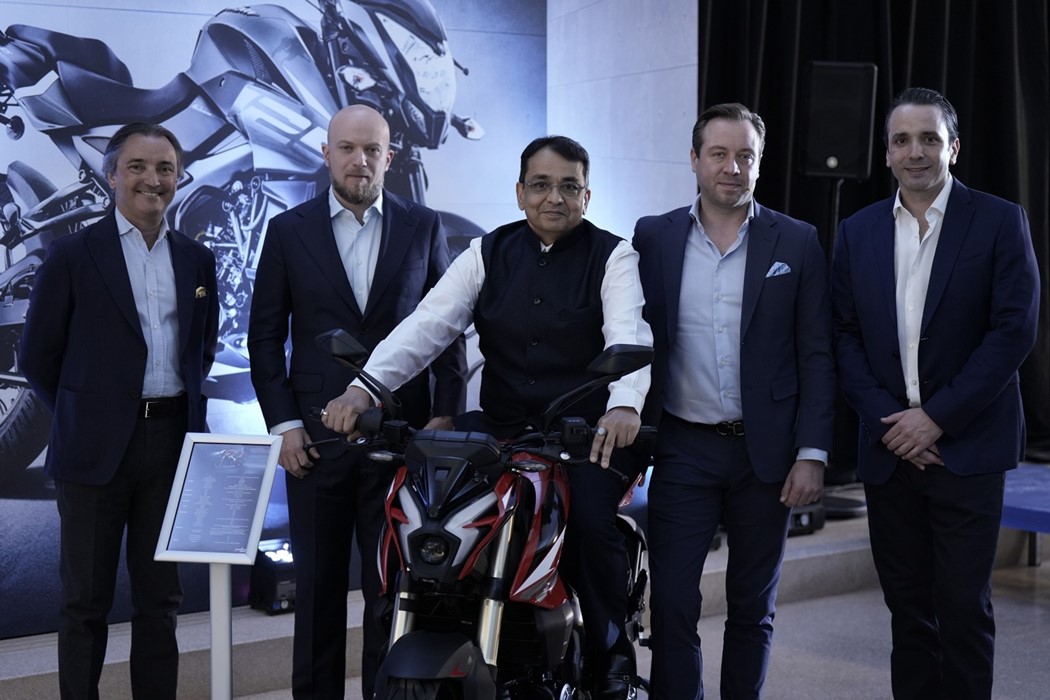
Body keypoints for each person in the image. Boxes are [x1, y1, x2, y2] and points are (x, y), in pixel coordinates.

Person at [322, 135, 653, 699]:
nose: (554, 198)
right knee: (423, 494)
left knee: (589, 522)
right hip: (501, 425)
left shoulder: (613, 256)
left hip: (585, 434)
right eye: (541, 185)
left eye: (569, 186)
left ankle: (609, 654)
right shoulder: (486, 252)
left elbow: (628, 333)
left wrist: (623, 404)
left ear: (587, 195)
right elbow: (428, 325)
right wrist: (363, 390)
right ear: (520, 192)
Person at [247, 104, 466, 699]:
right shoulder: (288, 231)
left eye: (372, 150)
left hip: (402, 440)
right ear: (326, 154)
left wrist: (445, 412)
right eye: (347, 148)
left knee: (391, 594)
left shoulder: (423, 225)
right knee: (316, 592)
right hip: (314, 443)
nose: (359, 160)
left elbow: (446, 326)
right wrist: (283, 426)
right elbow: (264, 338)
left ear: (389, 158)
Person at [831, 87, 1040, 700]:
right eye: (901, 140)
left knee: (963, 609)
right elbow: (843, 335)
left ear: (953, 147)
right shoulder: (857, 231)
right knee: (907, 610)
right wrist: (894, 424)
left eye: (929, 138)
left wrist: (936, 419)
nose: (915, 151)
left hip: (967, 449)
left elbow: (1013, 331)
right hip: (890, 453)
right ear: (887, 153)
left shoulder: (999, 220)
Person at [632, 102, 836, 699]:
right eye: (718, 154)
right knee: (672, 605)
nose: (732, 167)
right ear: (694, 159)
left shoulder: (797, 241)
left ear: (759, 162)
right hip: (683, 449)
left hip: (766, 455)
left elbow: (816, 354)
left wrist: (812, 453)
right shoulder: (654, 237)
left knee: (752, 606)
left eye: (745, 155)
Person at [19, 122, 219, 699]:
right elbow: (37, 357)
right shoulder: (71, 255)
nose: (152, 179)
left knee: (161, 601)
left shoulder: (197, 260)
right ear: (111, 176)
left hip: (170, 446)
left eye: (164, 168)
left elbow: (201, 349)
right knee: (85, 602)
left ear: (178, 178)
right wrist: (85, 413)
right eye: (137, 167)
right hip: (94, 451)